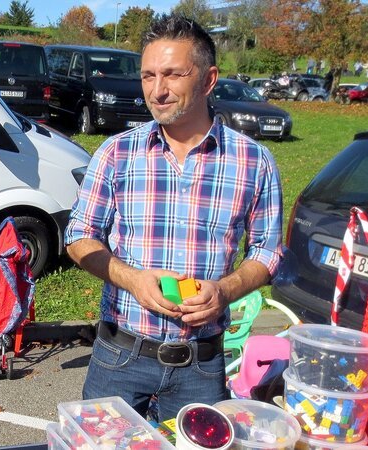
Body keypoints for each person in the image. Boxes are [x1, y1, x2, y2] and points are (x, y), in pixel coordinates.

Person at [64, 14, 283, 422]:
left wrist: (225, 290)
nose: (157, 91)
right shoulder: (116, 153)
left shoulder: (254, 161)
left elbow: (268, 250)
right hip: (119, 355)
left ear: (208, 78)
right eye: (148, 76)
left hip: (201, 364)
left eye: (172, 75)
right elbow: (79, 235)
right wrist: (132, 279)